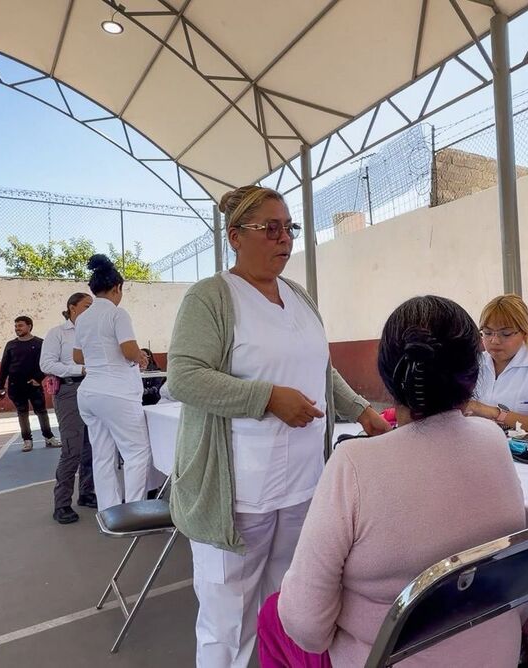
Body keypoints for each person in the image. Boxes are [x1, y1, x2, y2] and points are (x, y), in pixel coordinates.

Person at [166, 185, 391, 668]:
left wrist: (361, 411)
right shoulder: (211, 298)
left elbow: (319, 367)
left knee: (286, 607)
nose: (284, 238)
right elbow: (184, 377)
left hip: (302, 485)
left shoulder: (298, 295)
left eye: (289, 228)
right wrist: (267, 398)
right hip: (237, 496)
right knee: (228, 623)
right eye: (270, 228)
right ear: (235, 237)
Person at [258, 295, 528, 667]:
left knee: (273, 615)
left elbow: (306, 627)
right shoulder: (493, 440)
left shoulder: (353, 464)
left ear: (388, 371)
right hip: (496, 655)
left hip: (385, 658)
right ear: (472, 372)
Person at [73, 254, 158, 513]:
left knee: (102, 455)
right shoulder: (117, 314)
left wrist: (101, 355)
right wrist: (140, 356)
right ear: (117, 288)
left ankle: (109, 512)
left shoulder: (82, 318)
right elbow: (129, 350)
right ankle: (134, 513)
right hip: (116, 392)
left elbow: (77, 357)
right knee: (137, 453)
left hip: (89, 392)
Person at [467, 294, 528, 434]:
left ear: (524, 333)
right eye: (487, 333)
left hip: (526, 446)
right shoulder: (473, 364)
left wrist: (495, 413)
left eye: (506, 334)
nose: (495, 341)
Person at [41, 293, 97, 524]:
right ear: (72, 308)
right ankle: (62, 503)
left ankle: (86, 492)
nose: (91, 310)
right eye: (87, 306)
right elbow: (46, 364)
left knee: (91, 446)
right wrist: (79, 369)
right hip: (69, 391)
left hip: (94, 389)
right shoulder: (58, 333)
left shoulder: (94, 331)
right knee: (72, 447)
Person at [0, 316, 60, 453]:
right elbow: (4, 366)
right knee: (22, 413)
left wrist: (38, 378)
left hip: (34, 385)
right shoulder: (11, 345)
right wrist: (0, 386)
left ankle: (49, 437)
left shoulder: (40, 343)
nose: (17, 328)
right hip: (15, 385)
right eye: (16, 326)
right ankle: (27, 440)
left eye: (20, 325)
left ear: (29, 326)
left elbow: (46, 363)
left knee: (41, 412)